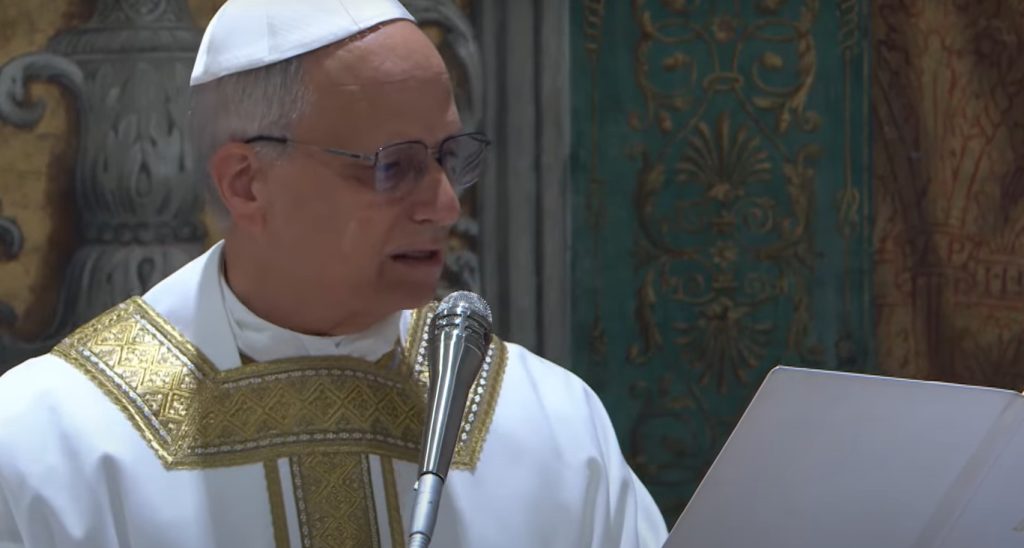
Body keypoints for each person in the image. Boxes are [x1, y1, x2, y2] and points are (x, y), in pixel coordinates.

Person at [0, 0, 668, 546]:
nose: (445, 205)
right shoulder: (51, 445)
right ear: (247, 183)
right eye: (393, 166)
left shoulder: (550, 424)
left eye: (449, 157)